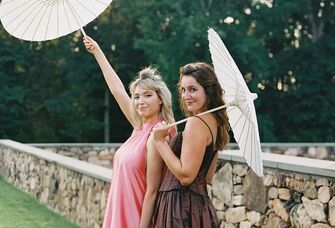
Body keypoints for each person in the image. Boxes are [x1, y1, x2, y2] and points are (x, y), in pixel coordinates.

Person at [83, 36, 175, 228]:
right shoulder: (139, 126)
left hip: (138, 216)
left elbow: (153, 190)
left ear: (160, 99)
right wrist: (97, 52)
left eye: (148, 95)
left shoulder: (160, 134)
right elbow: (117, 90)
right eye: (136, 96)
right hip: (118, 211)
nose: (140, 101)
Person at [150, 62, 230, 227]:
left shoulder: (196, 123)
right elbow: (207, 177)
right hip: (198, 209)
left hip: (180, 209)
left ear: (208, 91)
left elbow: (186, 177)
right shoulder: (216, 123)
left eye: (193, 89)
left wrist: (159, 142)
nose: (186, 96)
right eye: (183, 90)